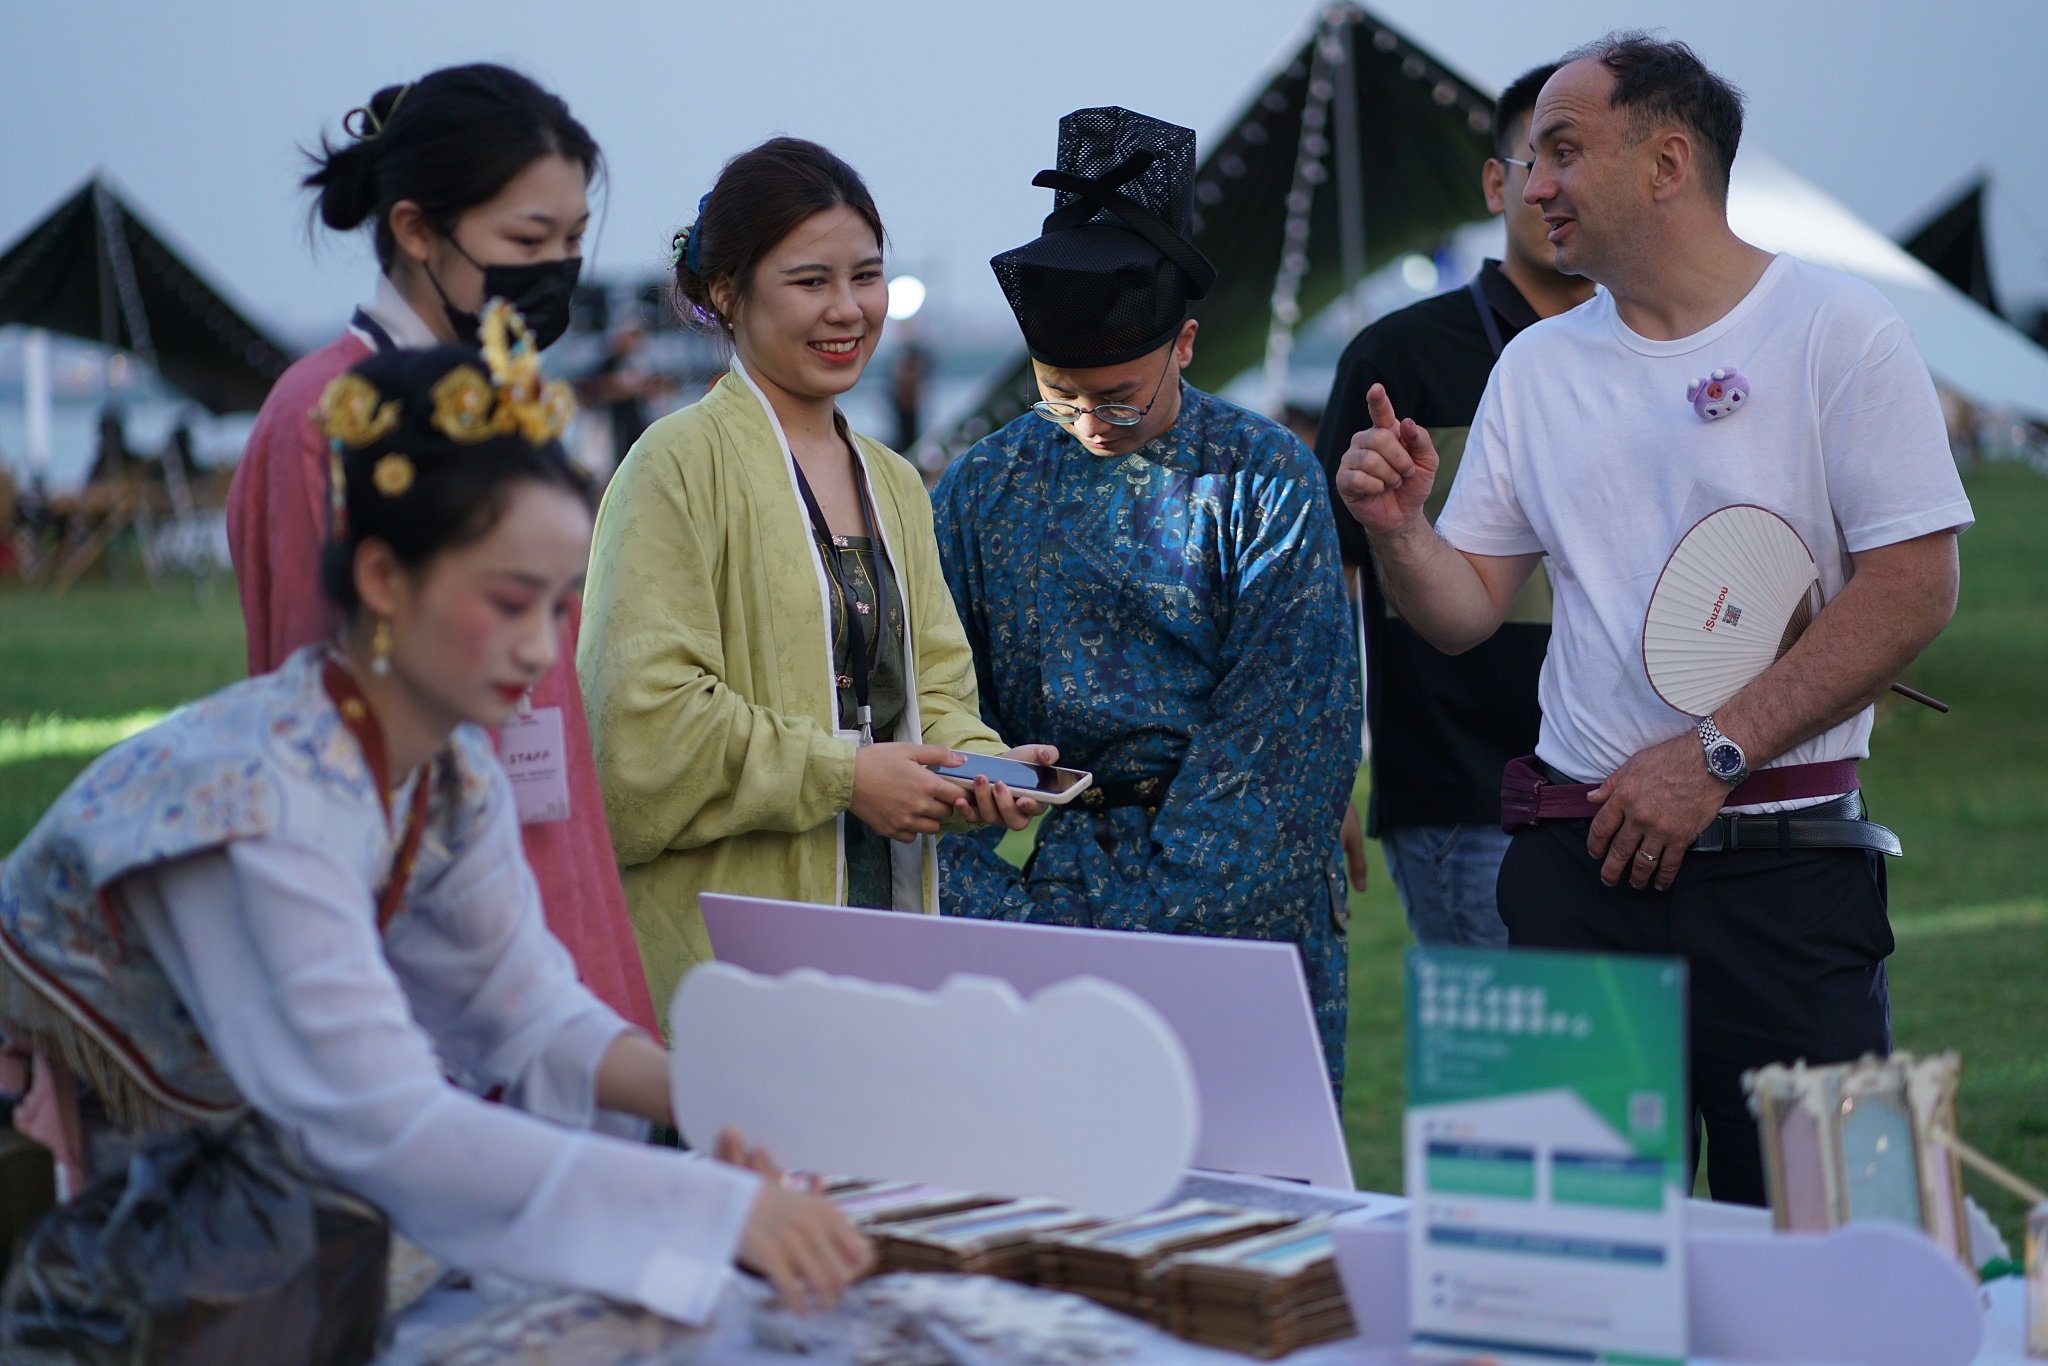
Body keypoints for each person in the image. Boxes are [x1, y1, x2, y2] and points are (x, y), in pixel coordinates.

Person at [0, 312, 871, 1318]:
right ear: (381, 579)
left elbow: (527, 1007)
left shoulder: (446, 770)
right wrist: (706, 1204)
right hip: (87, 1181)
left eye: (559, 606)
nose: (543, 650)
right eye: (508, 602)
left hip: (216, 1177)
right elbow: (383, 1122)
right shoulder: (262, 803)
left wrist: (699, 1097)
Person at [1335, 35, 1971, 1202]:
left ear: (1667, 161)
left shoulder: (1837, 331)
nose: (1533, 187)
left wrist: (1710, 755)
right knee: (1557, 1258)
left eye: (1562, 153)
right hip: (1570, 869)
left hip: (1785, 880)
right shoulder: (1534, 367)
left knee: (1812, 1245)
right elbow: (1462, 612)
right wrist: (1400, 531)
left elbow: (1913, 584)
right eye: (1530, 161)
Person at [931, 108, 1362, 1089]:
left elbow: (1281, 742)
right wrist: (1015, 920)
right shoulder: (980, 488)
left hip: (1245, 914)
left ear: (1187, 345)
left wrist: (1121, 945)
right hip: (1052, 896)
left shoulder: (1263, 478)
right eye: (1057, 392)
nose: (1089, 421)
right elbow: (931, 714)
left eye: (1119, 394)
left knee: (1255, 1212)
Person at [578, 138, 1051, 1024]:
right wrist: (844, 775)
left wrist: (973, 769)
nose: (848, 310)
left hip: (889, 948)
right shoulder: (675, 466)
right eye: (810, 282)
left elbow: (934, 689)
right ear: (727, 292)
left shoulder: (896, 483)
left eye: (866, 277)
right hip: (734, 966)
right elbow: (639, 727)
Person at [226, 65, 656, 1035]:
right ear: (416, 230)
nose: (556, 270)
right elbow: (316, 704)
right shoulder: (328, 415)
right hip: (416, 939)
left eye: (574, 241)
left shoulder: (507, 402)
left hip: (551, 901)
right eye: (527, 240)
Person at [1316, 63, 1593, 946]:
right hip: (1470, 798)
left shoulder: (1654, 348)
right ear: (1495, 181)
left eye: (1584, 159)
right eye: (1541, 157)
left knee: (1636, 1074)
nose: (1561, 185)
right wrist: (1322, 779)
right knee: (1513, 1081)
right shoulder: (1400, 356)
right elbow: (1326, 583)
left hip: (1645, 783)